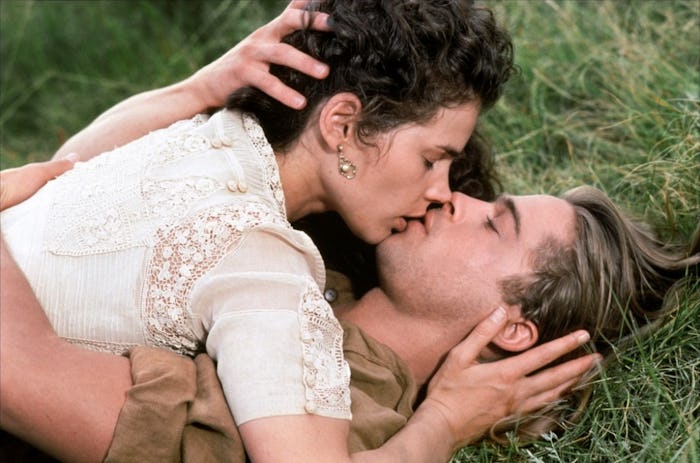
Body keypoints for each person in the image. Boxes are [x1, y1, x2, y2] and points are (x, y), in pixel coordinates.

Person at [0, 0, 538, 461]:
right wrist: (443, 421)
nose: (444, 192)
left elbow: (64, 166)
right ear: (344, 125)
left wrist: (200, 86)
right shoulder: (260, 262)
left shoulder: (207, 133)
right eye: (431, 159)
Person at [2, 156, 697, 462]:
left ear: (514, 328)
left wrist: (443, 425)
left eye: (493, 224)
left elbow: (18, 370)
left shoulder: (341, 416)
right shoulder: (319, 265)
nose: (456, 196)